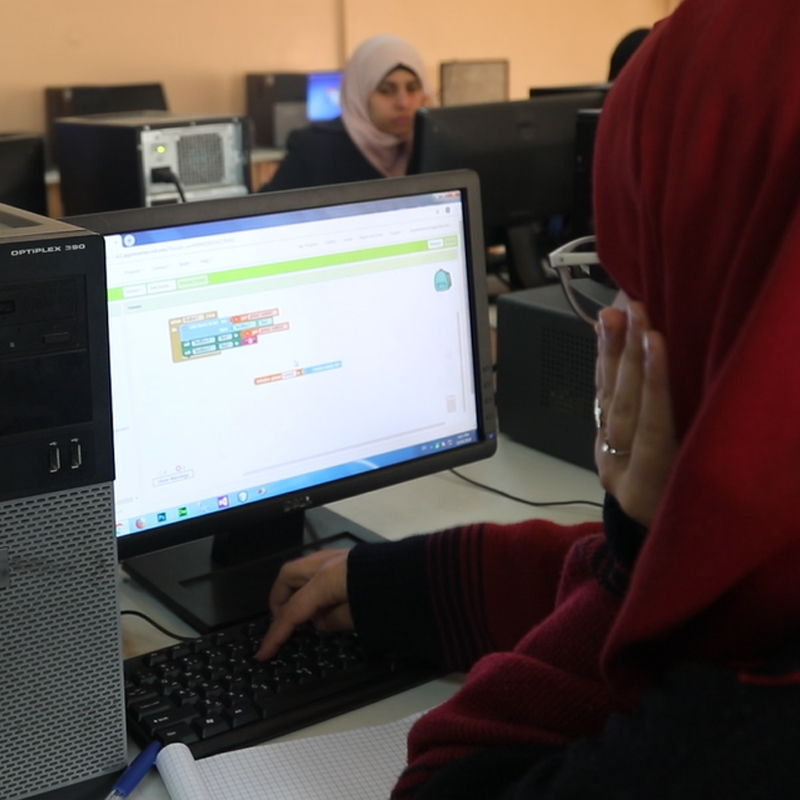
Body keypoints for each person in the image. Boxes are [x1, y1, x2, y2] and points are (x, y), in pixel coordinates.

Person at [258, 0, 800, 795]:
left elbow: (448, 775)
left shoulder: (744, 730)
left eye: (635, 277)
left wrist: (638, 546)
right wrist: (406, 581)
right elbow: (690, 604)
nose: (609, 320)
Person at [261, 35, 430, 192]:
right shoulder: (314, 149)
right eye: (386, 91)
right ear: (359, 96)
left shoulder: (432, 144)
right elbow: (264, 212)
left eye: (413, 89)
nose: (404, 103)